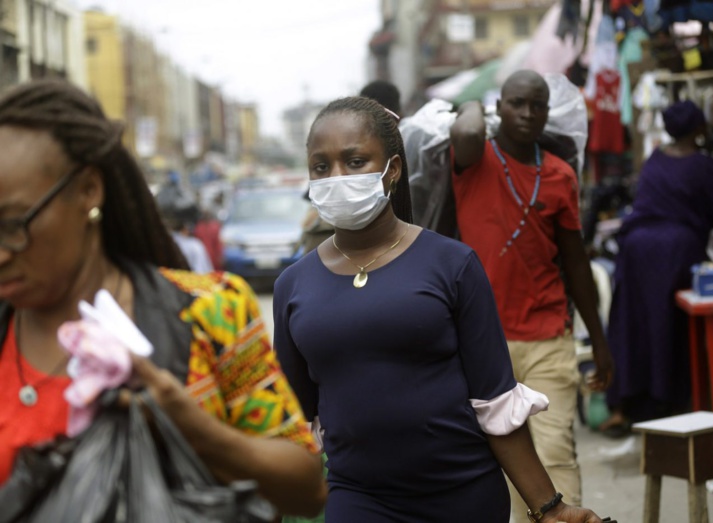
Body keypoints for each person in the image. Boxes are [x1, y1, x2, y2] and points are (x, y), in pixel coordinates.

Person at [0, 79, 326, 518]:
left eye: (13, 224)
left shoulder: (211, 312)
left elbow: (306, 488)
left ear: (88, 190)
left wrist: (193, 429)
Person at [274, 95, 606, 522]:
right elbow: (294, 423)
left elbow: (495, 402)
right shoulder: (293, 286)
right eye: (321, 167)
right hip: (358, 497)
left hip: (462, 495)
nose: (336, 177)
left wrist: (550, 508)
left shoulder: (453, 264)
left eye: (354, 162)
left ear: (393, 169)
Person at [449, 70, 613, 520]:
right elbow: (466, 131)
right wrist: (471, 107)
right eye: (516, 103)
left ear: (547, 113)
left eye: (537, 105)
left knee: (555, 455)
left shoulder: (560, 174)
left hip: (548, 337)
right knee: (501, 466)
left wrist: (599, 342)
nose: (526, 113)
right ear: (498, 107)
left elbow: (576, 264)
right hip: (482, 344)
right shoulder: (472, 158)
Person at [601, 100, 713, 434]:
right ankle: (667, 402)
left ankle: (627, 404)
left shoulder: (655, 159)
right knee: (667, 325)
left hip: (636, 249)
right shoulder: (702, 166)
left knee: (631, 324)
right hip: (674, 251)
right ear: (698, 128)